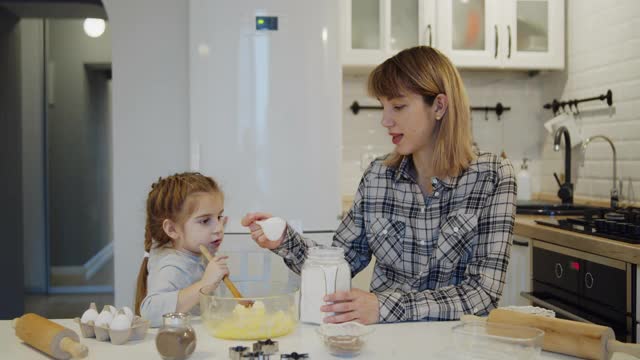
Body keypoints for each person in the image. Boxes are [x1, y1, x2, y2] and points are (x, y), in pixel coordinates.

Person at [242, 46, 517, 325]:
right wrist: (285, 240)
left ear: (439, 106)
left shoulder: (493, 176)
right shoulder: (378, 177)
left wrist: (383, 307)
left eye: (398, 106)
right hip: (385, 342)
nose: (385, 120)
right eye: (383, 106)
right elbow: (341, 261)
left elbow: (483, 294)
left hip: (459, 345)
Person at [135, 172, 229, 327]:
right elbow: (150, 312)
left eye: (219, 217)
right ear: (172, 229)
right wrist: (205, 284)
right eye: (205, 221)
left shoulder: (198, 253)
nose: (219, 228)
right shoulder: (171, 266)